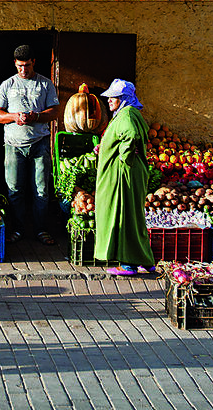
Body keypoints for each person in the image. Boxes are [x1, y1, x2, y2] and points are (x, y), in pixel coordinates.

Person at [0, 44, 60, 245]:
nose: (24, 70)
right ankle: (18, 229)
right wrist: (14, 117)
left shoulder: (45, 84)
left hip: (39, 143)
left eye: (27, 65)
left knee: (41, 190)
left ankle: (41, 229)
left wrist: (36, 116)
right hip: (13, 145)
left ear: (34, 62)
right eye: (20, 66)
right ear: (15, 63)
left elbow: (55, 111)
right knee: (14, 189)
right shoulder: (7, 85)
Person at [94, 79, 154, 277]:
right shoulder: (129, 113)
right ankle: (145, 261)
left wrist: (123, 157)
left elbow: (130, 135)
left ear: (124, 98)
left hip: (124, 174)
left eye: (115, 97)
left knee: (125, 216)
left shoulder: (126, 114)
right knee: (134, 217)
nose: (109, 100)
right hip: (129, 172)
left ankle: (128, 264)